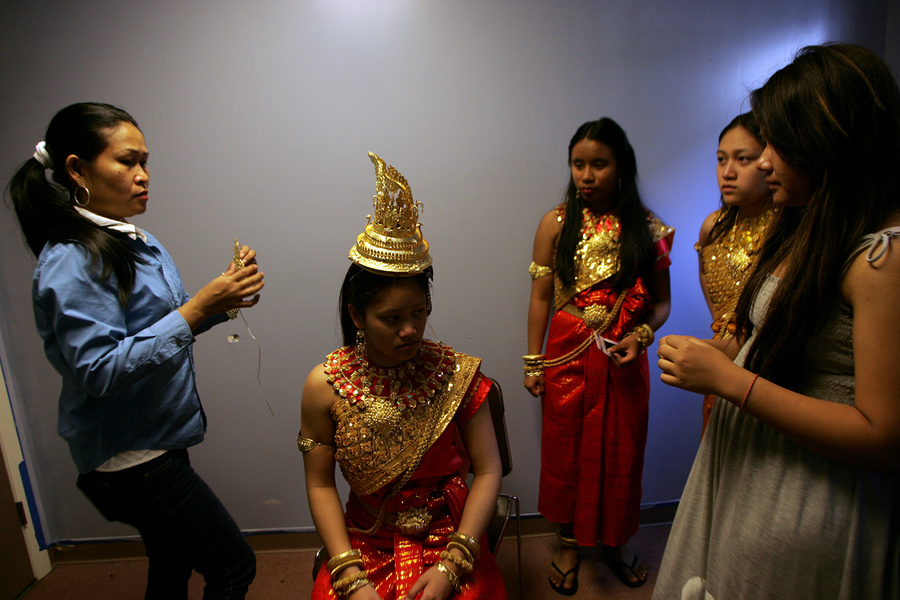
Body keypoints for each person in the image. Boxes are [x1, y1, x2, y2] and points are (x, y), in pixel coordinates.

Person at [654, 43, 900, 599]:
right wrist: (726, 352)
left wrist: (729, 380)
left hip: (813, 500)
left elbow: (884, 438)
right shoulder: (812, 225)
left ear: (832, 145)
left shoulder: (883, 260)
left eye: (778, 144)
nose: (764, 162)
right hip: (758, 480)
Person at [8, 102, 265, 600]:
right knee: (233, 565)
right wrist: (196, 310)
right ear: (77, 169)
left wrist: (223, 301)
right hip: (130, 458)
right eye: (127, 161)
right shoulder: (71, 258)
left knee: (170, 564)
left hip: (157, 440)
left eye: (145, 161)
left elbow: (156, 331)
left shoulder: (131, 240)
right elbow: (100, 370)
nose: (143, 175)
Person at [299, 152, 506, 600]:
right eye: (392, 318)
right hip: (364, 541)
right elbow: (319, 484)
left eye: (418, 312)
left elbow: (489, 471)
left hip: (449, 538)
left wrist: (455, 563)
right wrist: (349, 576)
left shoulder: (456, 373)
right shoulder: (324, 386)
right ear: (357, 313)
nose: (410, 330)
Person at [523, 118, 673, 594]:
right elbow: (542, 297)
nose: (586, 175)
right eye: (578, 164)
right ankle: (568, 543)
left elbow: (662, 302)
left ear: (621, 166)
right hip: (566, 352)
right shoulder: (555, 222)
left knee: (622, 450)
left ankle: (615, 540)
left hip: (622, 357)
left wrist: (643, 335)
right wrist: (533, 360)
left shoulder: (648, 228)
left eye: (598, 164)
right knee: (566, 450)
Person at [695, 113, 777, 433]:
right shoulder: (713, 228)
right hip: (721, 365)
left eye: (743, 159)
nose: (727, 172)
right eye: (721, 160)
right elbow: (716, 302)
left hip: (769, 371)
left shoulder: (786, 230)